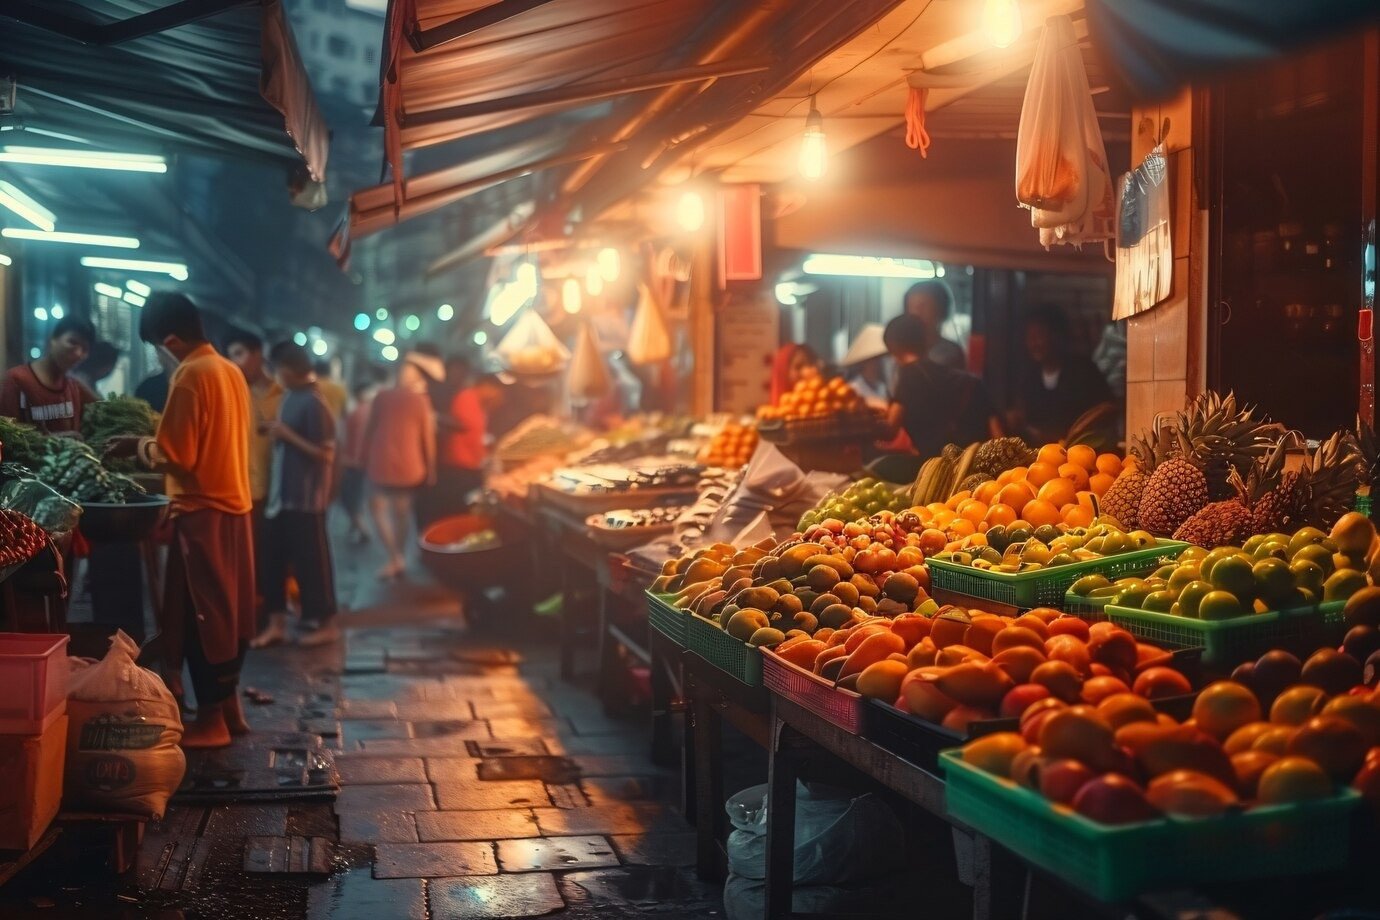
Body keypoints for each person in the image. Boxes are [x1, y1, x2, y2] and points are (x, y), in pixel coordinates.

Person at [105, 293, 254, 749]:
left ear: (170, 340)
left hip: (202, 512)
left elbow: (177, 454)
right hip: (236, 509)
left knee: (198, 617)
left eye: (155, 346)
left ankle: (211, 721)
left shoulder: (190, 374)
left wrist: (139, 446)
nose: (158, 356)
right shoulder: (230, 370)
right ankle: (229, 707)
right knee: (229, 613)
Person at [255, 341, 338, 648]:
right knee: (273, 562)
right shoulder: (291, 397)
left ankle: (327, 623)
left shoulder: (316, 403)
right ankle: (276, 624)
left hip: (305, 500)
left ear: (287, 370)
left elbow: (325, 454)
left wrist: (287, 435)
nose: (274, 375)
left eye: (276, 369)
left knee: (312, 564)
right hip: (281, 497)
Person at [224, 330, 283, 647]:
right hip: (237, 489)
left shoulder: (281, 394)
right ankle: (243, 624)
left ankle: (265, 621)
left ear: (258, 353)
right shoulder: (232, 391)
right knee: (239, 563)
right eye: (231, 354)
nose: (235, 362)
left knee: (267, 561)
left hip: (271, 493)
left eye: (240, 353)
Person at [884, 314, 1000, 459]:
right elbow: (998, 436)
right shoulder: (972, 382)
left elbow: (890, 429)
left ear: (893, 347)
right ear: (925, 341)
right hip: (979, 465)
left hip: (941, 467)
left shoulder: (909, 374)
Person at [364, 353, 437, 580]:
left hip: (382, 462)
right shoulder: (421, 401)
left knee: (377, 509)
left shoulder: (381, 397)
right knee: (402, 512)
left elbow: (370, 430)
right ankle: (398, 556)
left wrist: (361, 457)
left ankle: (394, 556)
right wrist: (432, 469)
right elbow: (428, 438)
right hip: (411, 466)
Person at [1010, 305, 1114, 445]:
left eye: (1039, 336)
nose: (1034, 343)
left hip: (1081, 455)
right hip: (1040, 459)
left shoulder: (1084, 370)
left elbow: (1107, 409)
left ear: (1056, 336)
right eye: (1029, 337)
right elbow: (1025, 420)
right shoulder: (1029, 378)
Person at [0, 316, 97, 434]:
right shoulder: (17, 380)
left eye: (85, 349)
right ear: (53, 339)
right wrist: (56, 439)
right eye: (72, 342)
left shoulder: (74, 386)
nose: (78, 353)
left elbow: (104, 411)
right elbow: (7, 436)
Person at [436, 370, 505, 519]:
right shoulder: (466, 397)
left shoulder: (479, 404)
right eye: (494, 390)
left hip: (471, 465)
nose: (495, 394)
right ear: (485, 386)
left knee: (468, 506)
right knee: (460, 507)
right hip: (459, 465)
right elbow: (466, 426)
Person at [338, 375, 379, 545]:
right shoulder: (371, 411)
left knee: (348, 496)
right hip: (367, 462)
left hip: (355, 462)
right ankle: (356, 525)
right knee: (355, 496)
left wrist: (351, 459)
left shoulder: (358, 413)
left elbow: (353, 440)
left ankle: (362, 528)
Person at [903, 280, 967, 370]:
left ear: (941, 309)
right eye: (912, 306)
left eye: (923, 306)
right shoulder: (900, 348)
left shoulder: (950, 353)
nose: (917, 312)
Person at [840, 323, 890, 408]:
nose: (876, 364)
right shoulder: (853, 387)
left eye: (878, 359)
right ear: (864, 363)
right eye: (872, 361)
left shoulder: (882, 387)